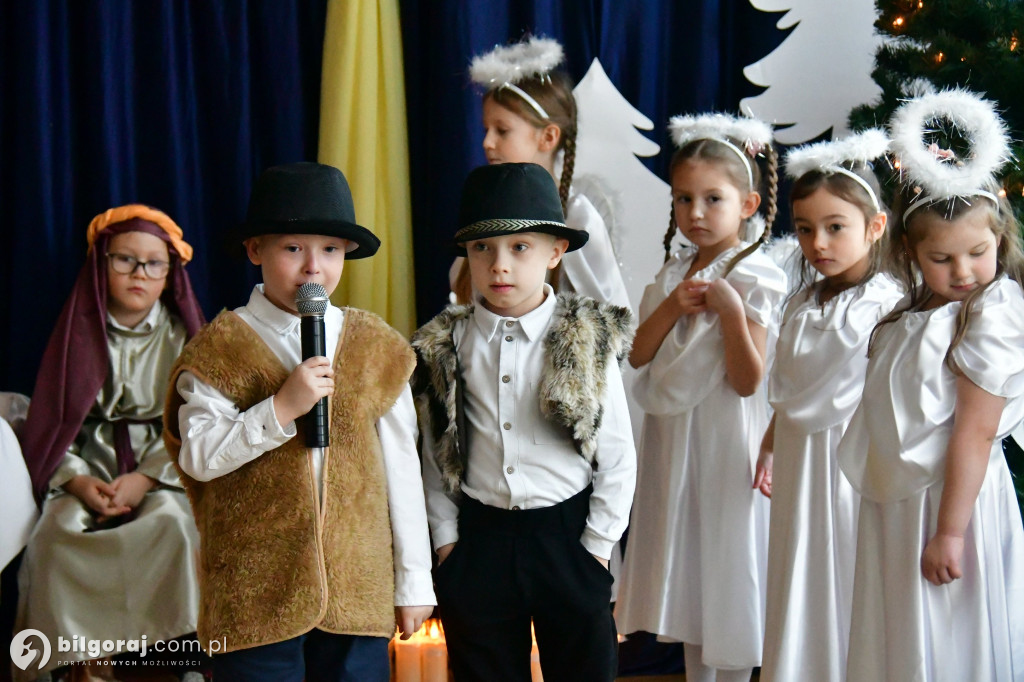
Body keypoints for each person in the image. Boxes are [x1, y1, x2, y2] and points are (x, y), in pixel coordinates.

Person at [164, 162, 435, 682]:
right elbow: (197, 458)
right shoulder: (218, 348)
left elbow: (402, 473)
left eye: (330, 250)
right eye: (293, 249)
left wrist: (413, 582)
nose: (314, 267)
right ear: (255, 250)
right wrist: (279, 409)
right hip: (256, 596)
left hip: (357, 590)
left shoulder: (375, 347)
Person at [413, 162, 636, 682]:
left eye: (519, 248)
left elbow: (618, 454)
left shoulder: (587, 338)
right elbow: (436, 451)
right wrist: (448, 542)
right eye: (482, 249)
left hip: (568, 536)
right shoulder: (447, 346)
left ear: (555, 251)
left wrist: (596, 547)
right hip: (480, 541)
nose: (499, 266)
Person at [838, 90, 1024, 681]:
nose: (963, 272)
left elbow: (975, 431)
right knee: (903, 632)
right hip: (902, 502)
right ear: (911, 254)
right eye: (942, 259)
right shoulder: (908, 317)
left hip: (955, 501)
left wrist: (949, 532)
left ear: (1000, 241)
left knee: (949, 636)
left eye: (978, 252)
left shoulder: (992, 315)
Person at [614, 113, 787, 682]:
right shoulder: (670, 277)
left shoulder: (758, 275)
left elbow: (747, 380)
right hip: (674, 443)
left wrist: (732, 312)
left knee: (726, 570)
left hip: (724, 441)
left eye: (712, 198)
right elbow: (638, 354)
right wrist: (674, 306)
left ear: (748, 203)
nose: (695, 213)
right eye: (683, 199)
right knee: (686, 581)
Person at [16, 205, 206, 682]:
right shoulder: (76, 332)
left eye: (153, 263)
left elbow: (195, 419)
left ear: (169, 274)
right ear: (101, 265)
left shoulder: (183, 336)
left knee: (177, 528)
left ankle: (181, 663)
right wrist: (76, 480)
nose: (139, 274)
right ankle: (81, 663)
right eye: (124, 260)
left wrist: (146, 478)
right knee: (55, 537)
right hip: (87, 463)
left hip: (161, 464)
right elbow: (53, 421)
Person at [754, 130, 902, 682]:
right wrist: (770, 443)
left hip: (849, 466)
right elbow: (791, 386)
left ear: (875, 226)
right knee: (801, 569)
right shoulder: (803, 301)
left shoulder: (884, 306)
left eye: (835, 227)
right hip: (799, 461)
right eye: (807, 229)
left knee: (844, 570)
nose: (819, 243)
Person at [449, 36, 630, 310]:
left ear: (548, 137)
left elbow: (610, 319)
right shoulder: (482, 212)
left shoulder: (577, 216)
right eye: (486, 130)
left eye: (502, 130)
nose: (487, 142)